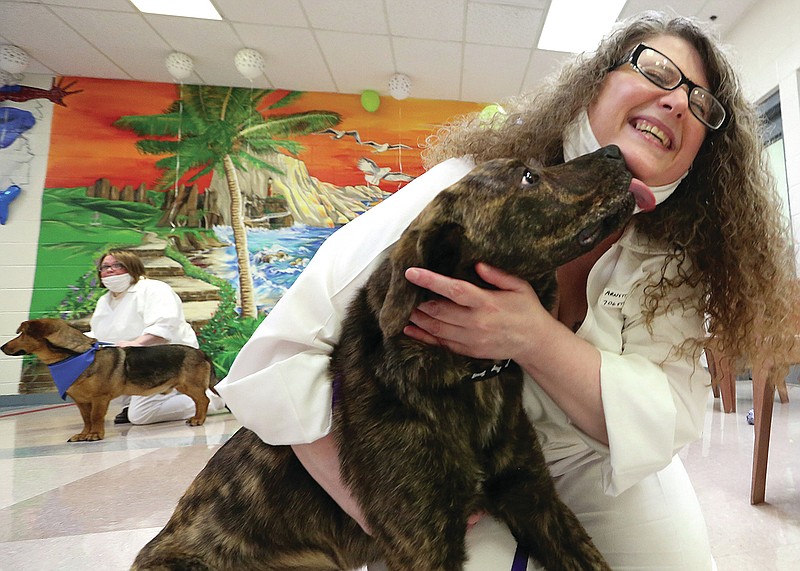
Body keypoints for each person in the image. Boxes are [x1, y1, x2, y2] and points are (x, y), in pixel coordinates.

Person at [216, 12, 797, 570]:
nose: (676, 101)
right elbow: (279, 357)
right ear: (593, 86)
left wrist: (532, 337)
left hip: (594, 465)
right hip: (451, 466)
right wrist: (378, 505)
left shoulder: (675, 263)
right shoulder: (464, 193)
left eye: (701, 104)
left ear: (702, 154)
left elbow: (668, 417)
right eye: (655, 71)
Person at [87, 248, 226, 425]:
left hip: (166, 361)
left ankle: (214, 400)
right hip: (133, 366)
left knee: (141, 416)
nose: (110, 270)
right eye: (105, 267)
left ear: (133, 267)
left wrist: (136, 343)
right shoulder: (104, 301)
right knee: (131, 410)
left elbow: (164, 327)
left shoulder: (154, 289)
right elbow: (97, 334)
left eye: (117, 265)